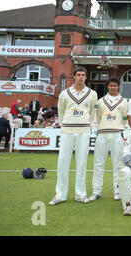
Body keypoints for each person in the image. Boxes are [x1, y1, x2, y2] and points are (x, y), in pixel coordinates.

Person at [49, 67, 98, 206]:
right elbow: (61, 111)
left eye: (83, 75)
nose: (81, 77)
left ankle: (80, 194)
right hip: (67, 131)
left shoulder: (92, 94)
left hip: (83, 131)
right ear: (74, 76)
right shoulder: (65, 93)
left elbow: (93, 112)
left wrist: (86, 124)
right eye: (78, 75)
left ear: (86, 77)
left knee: (81, 163)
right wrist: (67, 123)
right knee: (63, 162)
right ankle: (60, 194)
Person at [89, 78, 128, 202]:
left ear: (118, 87)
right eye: (111, 85)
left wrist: (118, 126)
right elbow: (97, 116)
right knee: (98, 163)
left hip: (117, 133)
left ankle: (118, 191)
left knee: (118, 164)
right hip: (102, 133)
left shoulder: (123, 101)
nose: (113, 87)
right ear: (108, 87)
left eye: (115, 85)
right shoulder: (100, 101)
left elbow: (124, 117)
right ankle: (96, 191)